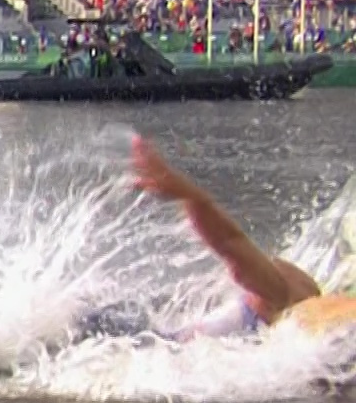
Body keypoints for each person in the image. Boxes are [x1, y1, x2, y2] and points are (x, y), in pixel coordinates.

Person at [129, 136, 354, 338]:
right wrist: (191, 197)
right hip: (153, 350)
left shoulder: (302, 297)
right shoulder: (300, 297)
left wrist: (192, 198)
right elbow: (231, 246)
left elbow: (232, 244)